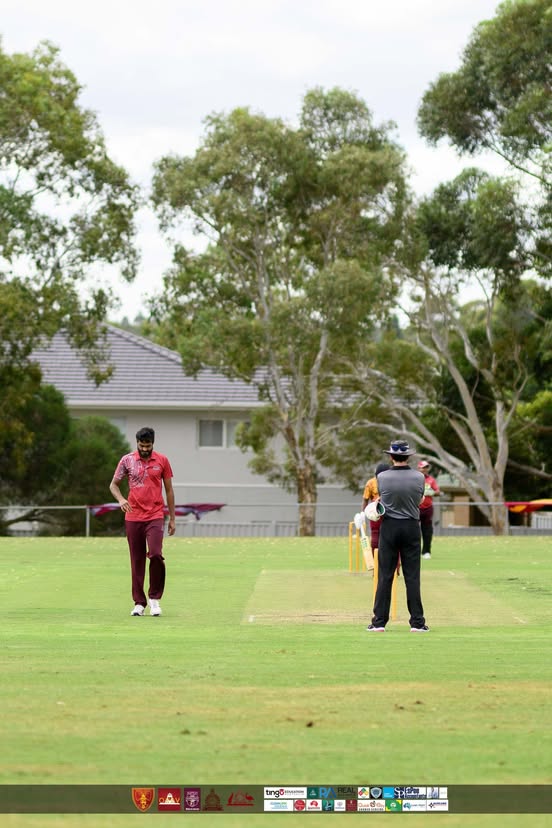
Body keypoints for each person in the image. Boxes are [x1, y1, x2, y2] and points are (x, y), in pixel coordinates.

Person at [109, 427, 176, 617]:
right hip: (133, 516)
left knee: (155, 554)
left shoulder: (162, 460)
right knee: (136, 560)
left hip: (155, 515)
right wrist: (121, 499)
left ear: (153, 444)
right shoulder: (127, 460)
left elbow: (169, 490)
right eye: (141, 445)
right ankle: (139, 603)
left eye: (147, 446)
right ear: (137, 443)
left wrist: (172, 518)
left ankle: (155, 599)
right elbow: (113, 485)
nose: (144, 449)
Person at [367, 439, 429, 633]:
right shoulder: (419, 477)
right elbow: (420, 500)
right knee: (412, 576)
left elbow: (382, 500)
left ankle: (379, 622)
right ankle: (417, 623)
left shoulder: (382, 477)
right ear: (408, 456)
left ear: (391, 456)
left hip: (389, 527)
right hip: (411, 526)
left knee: (385, 575)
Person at [418, 460, 440, 559]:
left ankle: (426, 551)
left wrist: (431, 492)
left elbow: (438, 491)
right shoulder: (415, 479)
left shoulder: (431, 480)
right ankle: (414, 550)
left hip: (427, 508)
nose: (425, 469)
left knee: (427, 531)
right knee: (413, 530)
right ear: (419, 468)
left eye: (426, 467)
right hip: (415, 508)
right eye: (423, 467)